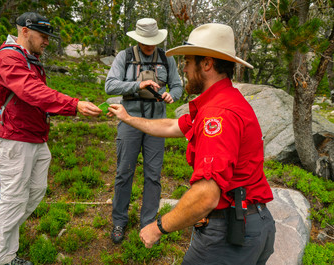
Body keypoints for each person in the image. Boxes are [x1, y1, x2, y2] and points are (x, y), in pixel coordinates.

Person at [108, 23, 276, 264]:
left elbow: (206, 195)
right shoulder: (224, 100)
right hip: (253, 223)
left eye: (188, 61)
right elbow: (172, 126)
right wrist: (128, 118)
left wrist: (157, 228)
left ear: (206, 64)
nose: (184, 68)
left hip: (228, 232)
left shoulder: (217, 114)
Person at [0, 12, 101, 265]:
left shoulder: (28, 58)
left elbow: (38, 94)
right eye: (42, 36)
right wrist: (74, 105)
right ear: (25, 31)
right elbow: (32, 92)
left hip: (34, 136)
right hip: (15, 138)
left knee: (35, 191)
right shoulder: (9, 57)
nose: (46, 41)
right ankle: (2, 258)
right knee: (14, 197)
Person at [105, 18, 183, 244]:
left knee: (153, 175)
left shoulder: (168, 59)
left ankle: (148, 223)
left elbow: (177, 85)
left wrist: (173, 95)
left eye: (153, 42)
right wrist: (136, 85)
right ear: (137, 39)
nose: (149, 46)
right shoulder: (125, 57)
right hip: (129, 121)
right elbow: (110, 85)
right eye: (145, 42)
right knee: (124, 172)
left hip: (157, 124)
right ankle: (119, 220)